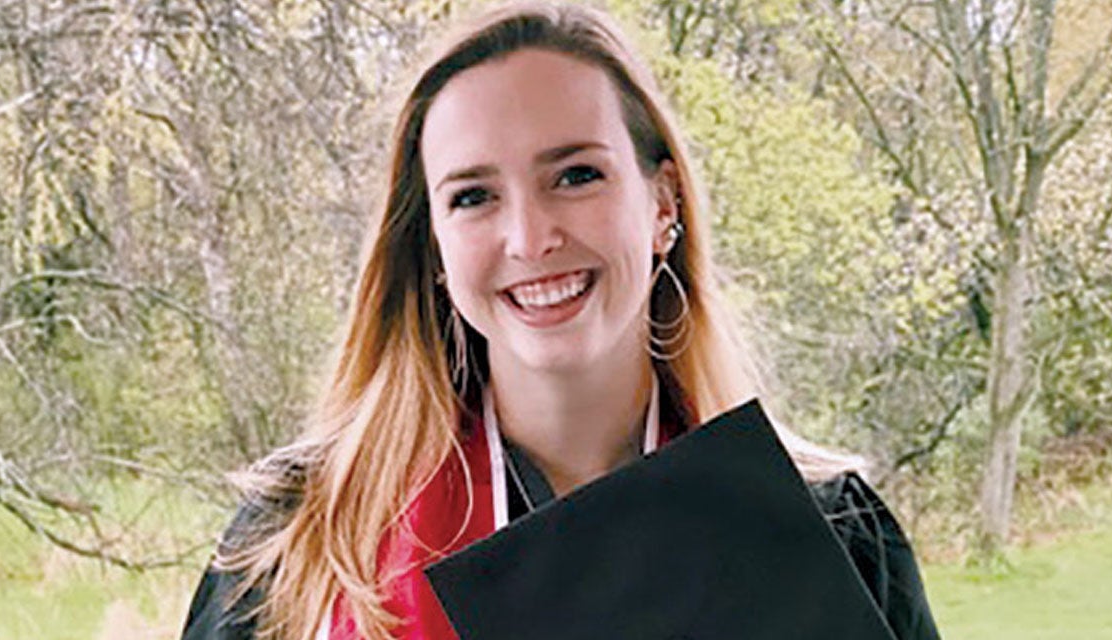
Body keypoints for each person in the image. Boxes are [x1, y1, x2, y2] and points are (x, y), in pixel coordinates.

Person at [182, 2, 939, 639]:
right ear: (436, 248)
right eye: (473, 196)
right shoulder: (304, 537)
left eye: (576, 175)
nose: (530, 237)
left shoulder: (829, 529)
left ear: (663, 203)